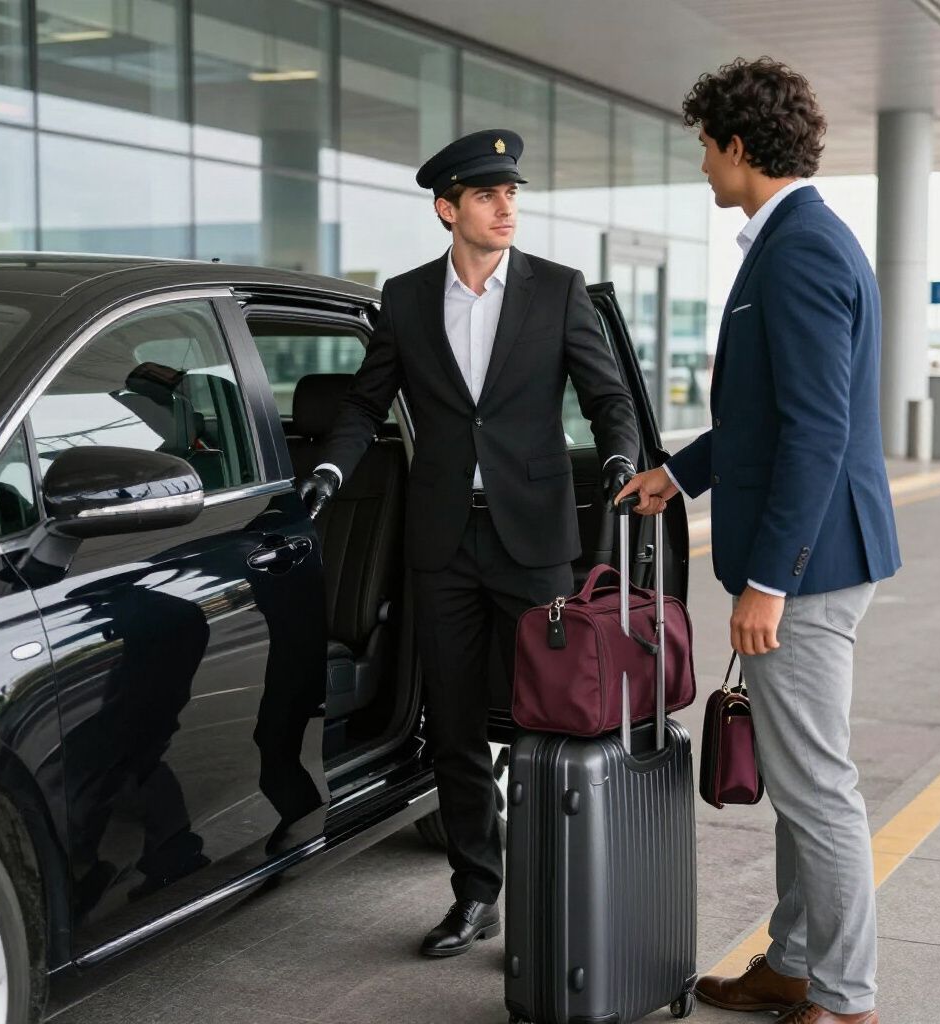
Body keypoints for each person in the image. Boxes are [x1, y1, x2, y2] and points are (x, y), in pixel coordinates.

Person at [299, 129, 641, 958]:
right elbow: (363, 403)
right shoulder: (407, 298)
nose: (506, 207)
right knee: (451, 727)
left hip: (535, 544)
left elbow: (608, 396)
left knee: (548, 725)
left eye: (513, 193)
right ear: (449, 209)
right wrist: (332, 475)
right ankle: (475, 895)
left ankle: (559, 896)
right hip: (444, 543)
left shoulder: (557, 291)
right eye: (488, 195)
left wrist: (625, 456)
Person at [617, 58, 901, 1024]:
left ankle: (847, 998)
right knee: (795, 775)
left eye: (705, 145)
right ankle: (790, 964)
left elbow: (818, 429)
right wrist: (679, 473)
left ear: (740, 147)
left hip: (811, 569)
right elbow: (766, 416)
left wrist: (770, 583)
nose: (701, 163)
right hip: (815, 559)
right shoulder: (790, 240)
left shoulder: (802, 249)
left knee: (818, 788)